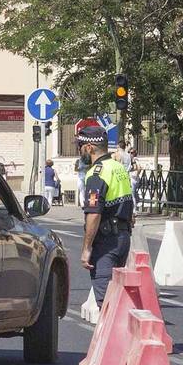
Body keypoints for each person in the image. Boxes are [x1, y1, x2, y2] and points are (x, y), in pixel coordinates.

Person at [78, 124, 135, 307]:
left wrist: (87, 248)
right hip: (123, 238)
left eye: (80, 147)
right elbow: (129, 202)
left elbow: (94, 214)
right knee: (117, 297)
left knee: (107, 302)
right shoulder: (118, 168)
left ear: (89, 147)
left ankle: (118, 336)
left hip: (106, 243)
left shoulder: (96, 173)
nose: (80, 152)